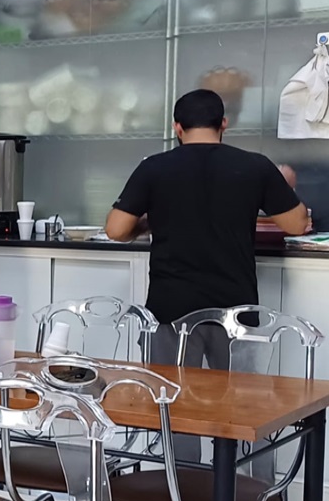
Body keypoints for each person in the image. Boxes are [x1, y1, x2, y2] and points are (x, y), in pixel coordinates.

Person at [105, 88, 309, 479]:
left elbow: (116, 229)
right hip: (237, 311)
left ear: (177, 128)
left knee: (176, 406)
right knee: (248, 407)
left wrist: (149, 221)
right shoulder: (253, 166)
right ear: (224, 124)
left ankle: (185, 490)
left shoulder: (155, 168)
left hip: (171, 310)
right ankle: (255, 493)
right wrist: (282, 189)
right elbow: (297, 224)